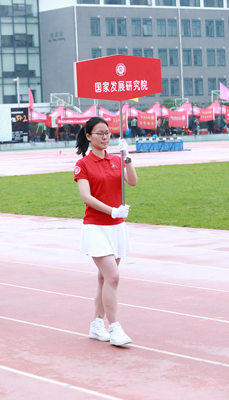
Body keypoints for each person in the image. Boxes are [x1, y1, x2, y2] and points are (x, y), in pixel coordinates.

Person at [74, 117, 138, 347]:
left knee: (104, 279)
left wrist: (127, 157)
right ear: (88, 136)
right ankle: (115, 327)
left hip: (117, 227)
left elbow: (132, 181)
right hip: (96, 226)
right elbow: (86, 197)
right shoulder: (83, 164)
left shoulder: (116, 159)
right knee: (113, 276)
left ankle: (96, 324)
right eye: (99, 133)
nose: (105, 137)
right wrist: (112, 210)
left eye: (107, 133)